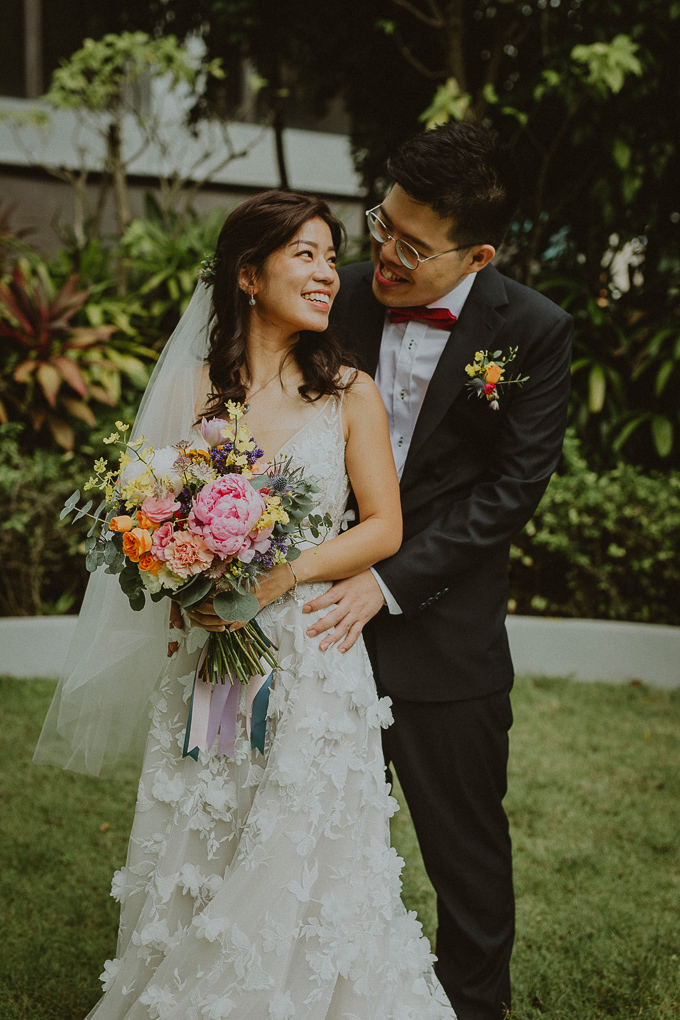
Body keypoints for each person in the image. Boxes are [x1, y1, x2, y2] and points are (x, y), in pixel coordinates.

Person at [34, 190, 459, 1019]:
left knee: (301, 849)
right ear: (247, 275)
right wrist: (180, 581)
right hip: (209, 656)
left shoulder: (349, 394)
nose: (329, 272)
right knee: (206, 830)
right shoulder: (195, 390)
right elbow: (151, 518)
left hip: (310, 653)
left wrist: (282, 574)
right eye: (305, 254)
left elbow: (384, 527)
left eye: (333, 256)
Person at [302, 122, 574, 1020]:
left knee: (467, 867)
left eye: (412, 248)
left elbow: (508, 494)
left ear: (478, 254)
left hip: (444, 638)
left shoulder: (532, 331)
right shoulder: (330, 299)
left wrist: (383, 584)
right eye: (382, 226)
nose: (383, 255)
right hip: (313, 632)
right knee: (306, 848)